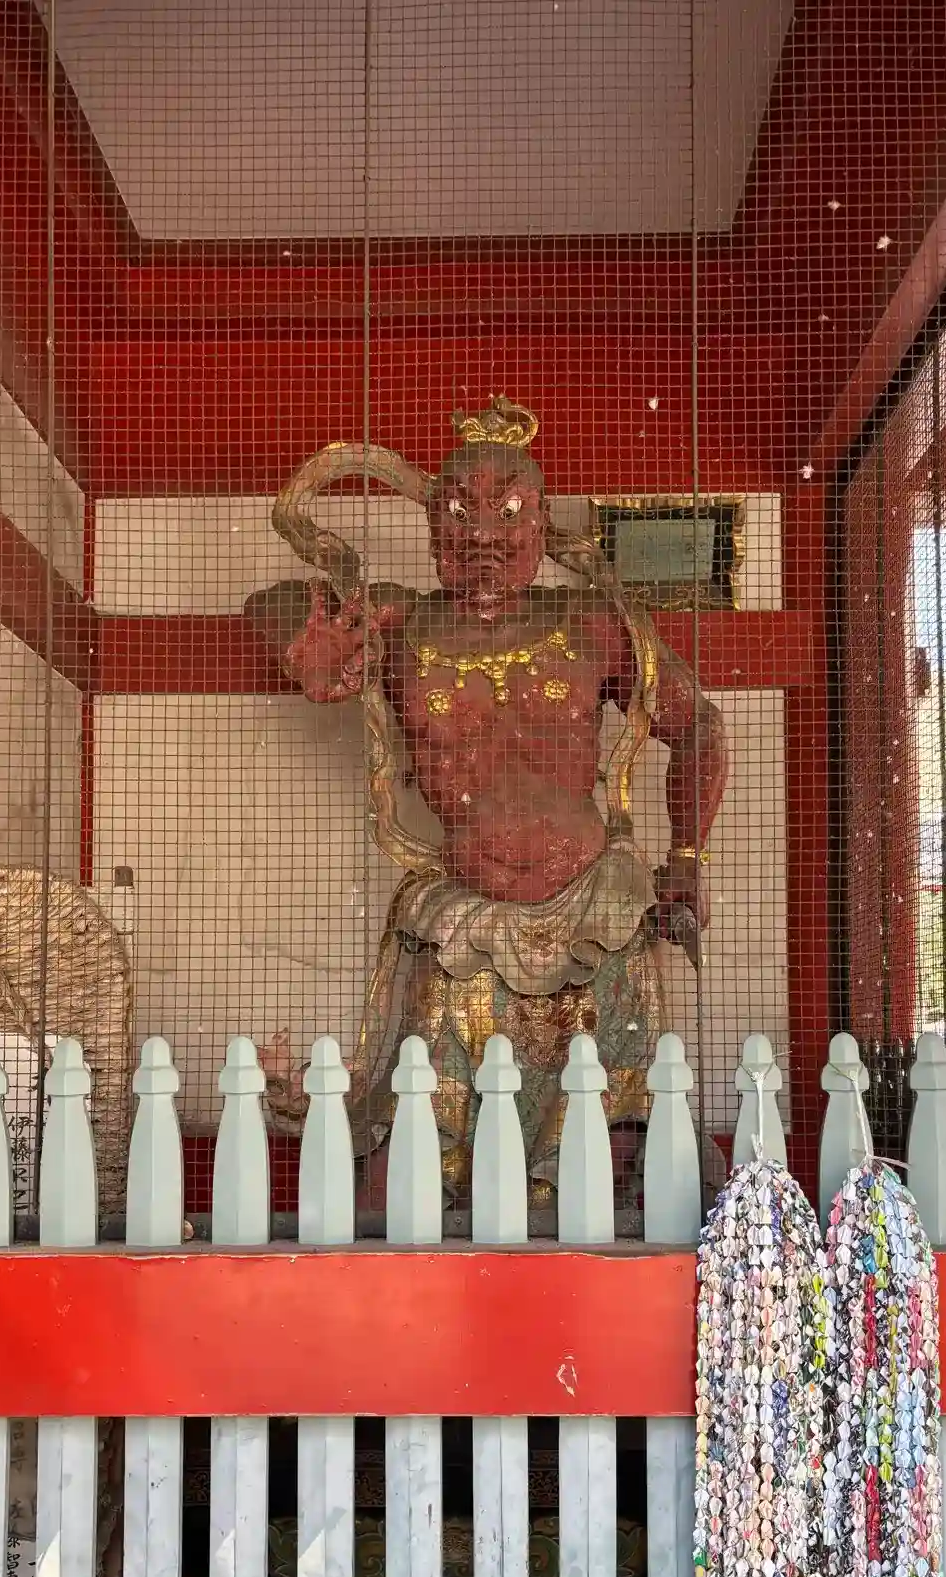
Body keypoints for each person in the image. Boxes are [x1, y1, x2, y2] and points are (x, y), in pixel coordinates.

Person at [247, 397, 728, 1203]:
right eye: (459, 512)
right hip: (464, 912)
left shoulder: (591, 621)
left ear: (541, 524)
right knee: (422, 1119)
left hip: (598, 908)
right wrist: (305, 639)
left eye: (507, 512)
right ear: (432, 525)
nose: (483, 535)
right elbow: (268, 603)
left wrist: (685, 856)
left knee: (613, 1123)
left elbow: (700, 726)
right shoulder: (401, 621)